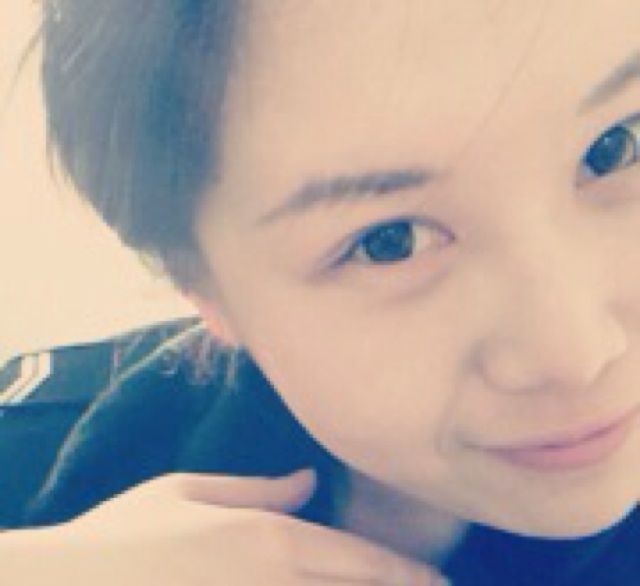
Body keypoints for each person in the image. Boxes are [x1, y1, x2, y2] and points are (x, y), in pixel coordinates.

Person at [3, 0, 640, 583]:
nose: (579, 354)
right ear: (201, 287)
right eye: (390, 242)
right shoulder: (31, 462)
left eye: (614, 149)